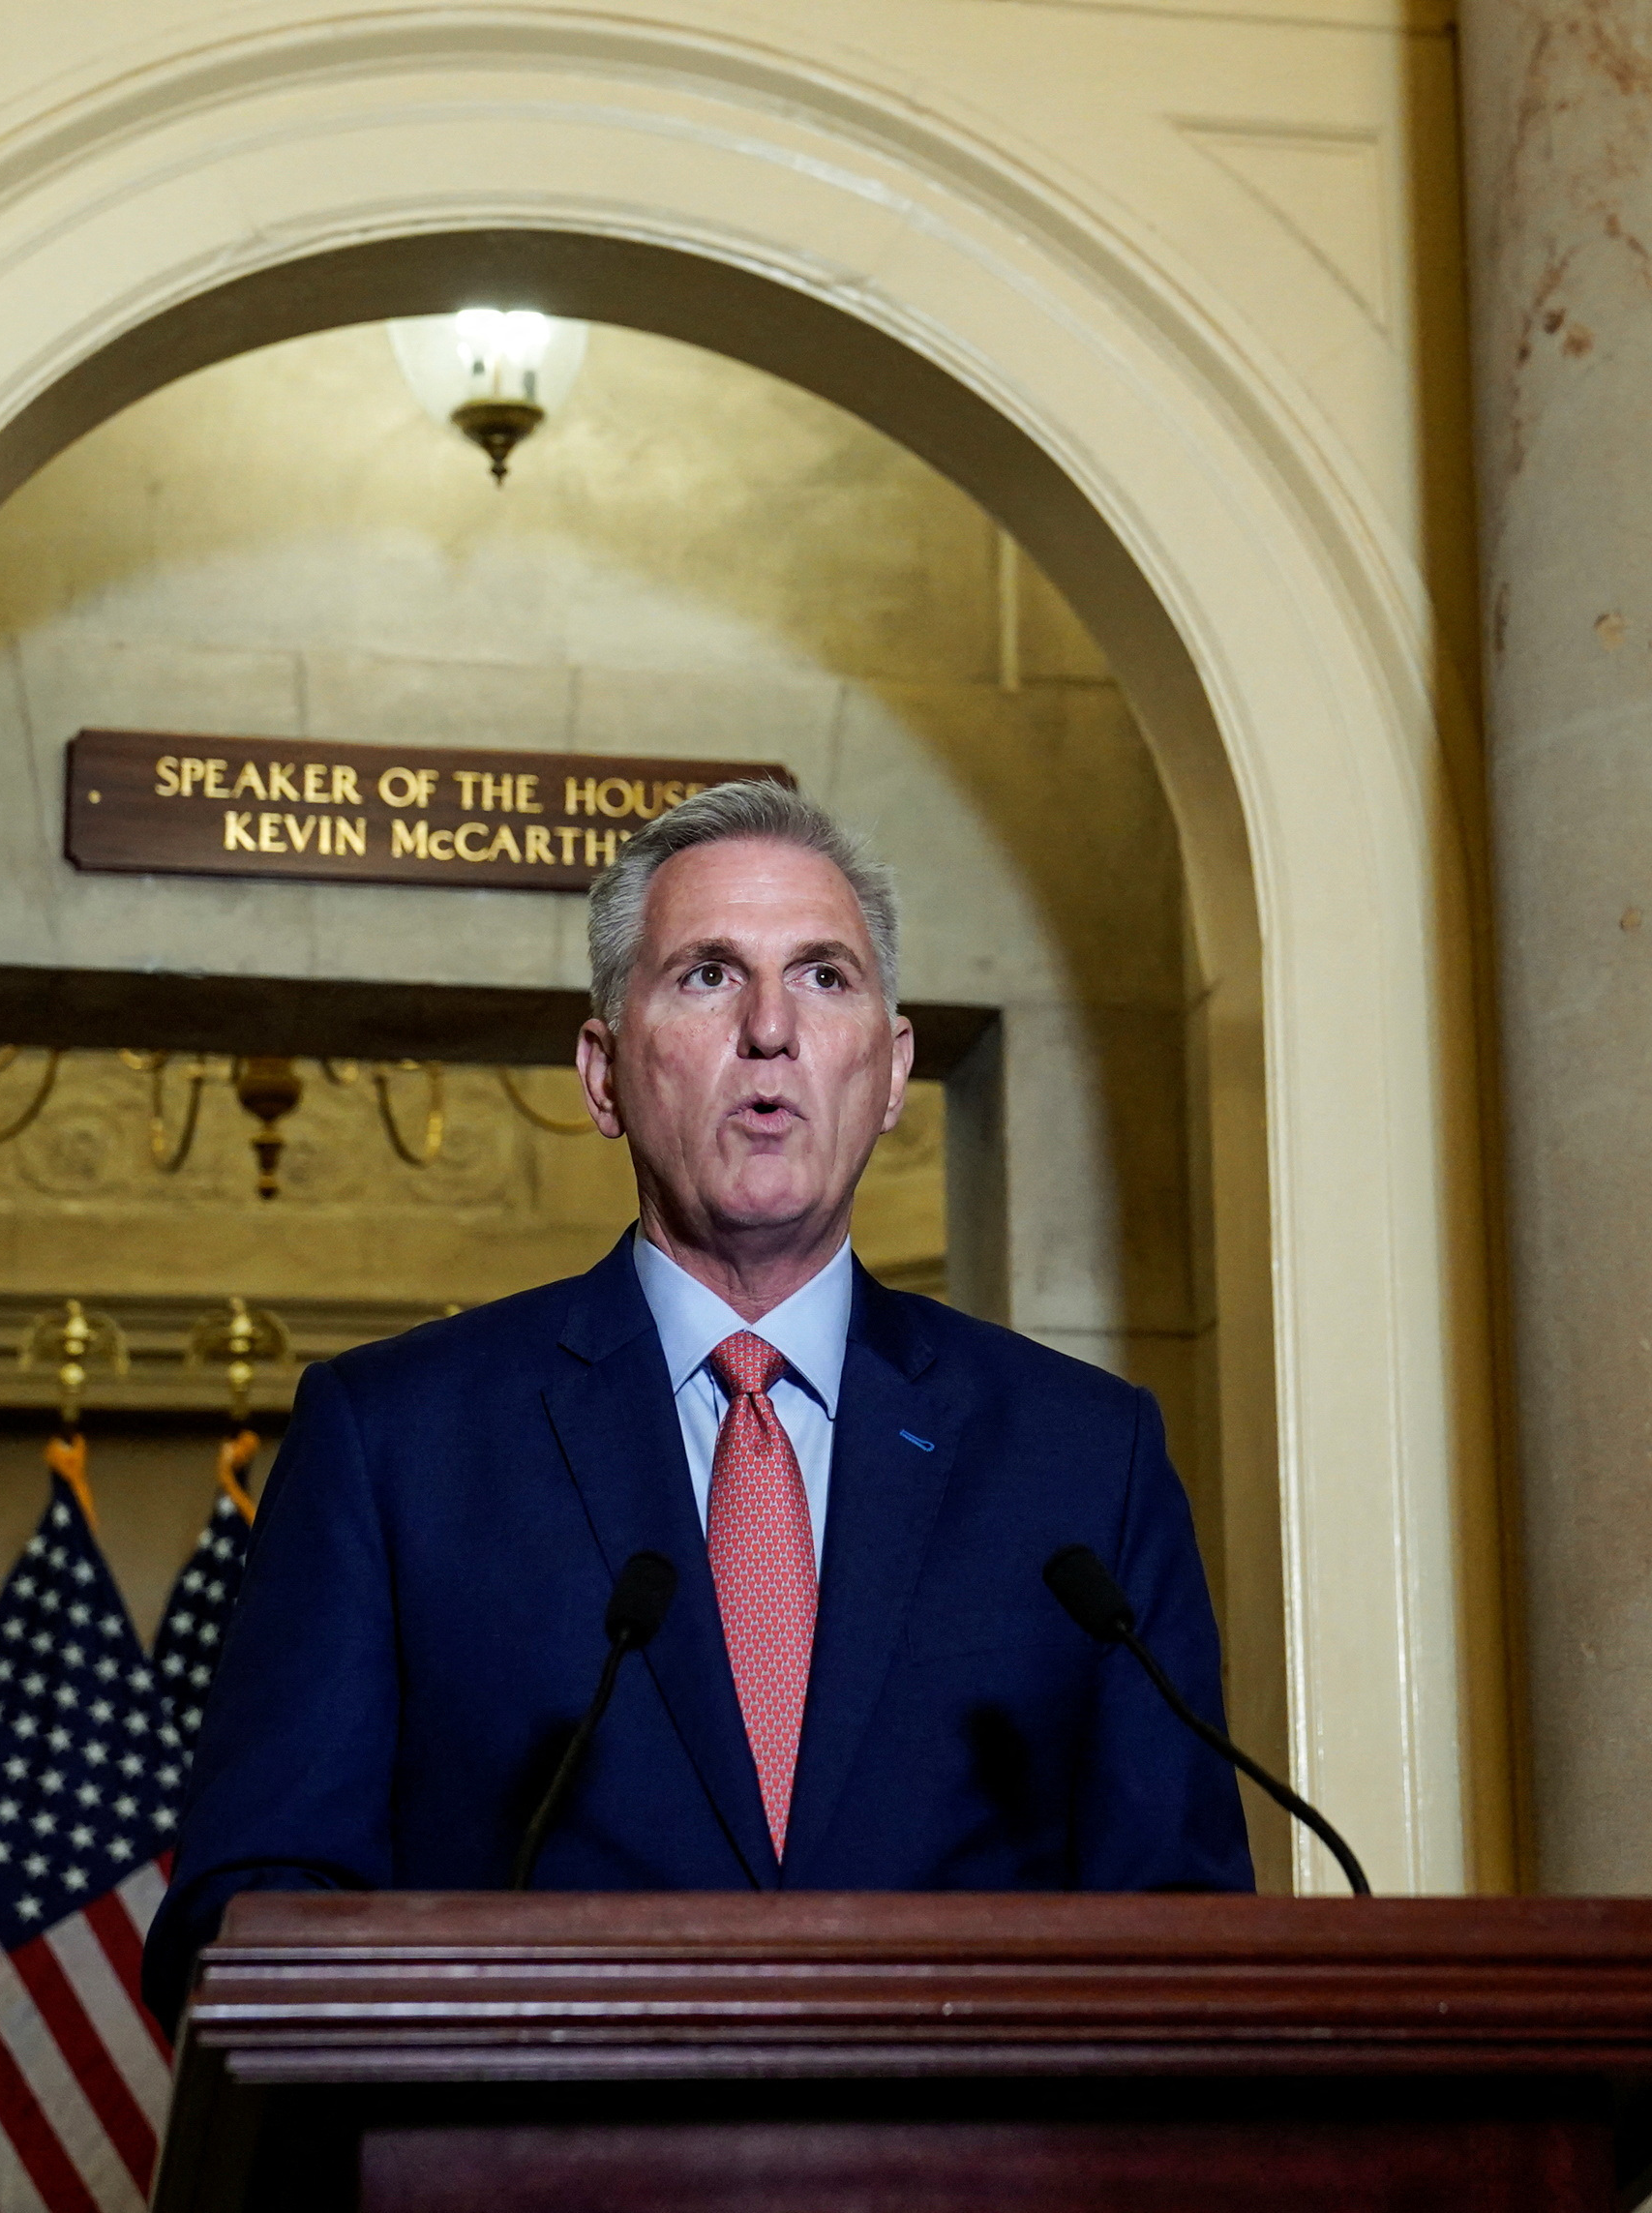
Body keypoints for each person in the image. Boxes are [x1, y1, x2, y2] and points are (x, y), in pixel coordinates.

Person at [141, 781, 1248, 2026]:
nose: (771, 1027)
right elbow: (249, 1910)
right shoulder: (392, 1445)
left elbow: (1187, 1933)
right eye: (709, 976)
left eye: (824, 977)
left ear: (890, 1073)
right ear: (604, 1072)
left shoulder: (1082, 1460)